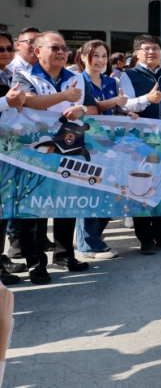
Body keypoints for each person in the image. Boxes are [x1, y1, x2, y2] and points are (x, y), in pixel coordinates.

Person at [13, 31, 99, 284]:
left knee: (66, 201)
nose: (61, 52)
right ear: (37, 51)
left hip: (70, 143)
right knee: (35, 207)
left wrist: (81, 108)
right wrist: (64, 97)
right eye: (54, 47)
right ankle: (36, 262)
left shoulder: (76, 78)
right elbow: (29, 103)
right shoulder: (24, 76)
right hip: (34, 147)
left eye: (63, 48)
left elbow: (92, 107)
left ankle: (64, 254)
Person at [119, 34, 161, 254]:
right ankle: (145, 239)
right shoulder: (128, 75)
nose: (151, 52)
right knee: (140, 189)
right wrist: (147, 99)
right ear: (137, 52)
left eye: (155, 48)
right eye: (146, 48)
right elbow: (124, 105)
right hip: (139, 141)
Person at [73, 40, 133, 260]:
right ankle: (88, 245)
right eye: (95, 55)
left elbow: (115, 110)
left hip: (110, 144)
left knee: (109, 191)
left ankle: (90, 237)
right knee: (89, 191)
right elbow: (88, 111)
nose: (100, 60)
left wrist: (127, 115)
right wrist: (112, 102)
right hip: (86, 142)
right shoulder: (78, 81)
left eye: (104, 56)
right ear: (83, 57)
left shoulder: (111, 81)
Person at [6, 27, 41, 260]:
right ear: (20, 44)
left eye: (37, 43)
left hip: (33, 139)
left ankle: (34, 240)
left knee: (28, 188)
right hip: (9, 142)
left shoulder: (42, 71)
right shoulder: (9, 69)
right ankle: (14, 238)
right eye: (28, 42)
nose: (33, 46)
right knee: (11, 190)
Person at [0, 31, 26, 284]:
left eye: (9, 49)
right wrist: (4, 101)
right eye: (1, 49)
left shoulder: (10, 75)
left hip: (7, 150)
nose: (6, 53)